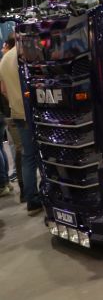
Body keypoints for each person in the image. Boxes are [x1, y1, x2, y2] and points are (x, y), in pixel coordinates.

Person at [0, 33, 41, 214]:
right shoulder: (28, 53)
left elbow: (3, 89)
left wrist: (14, 101)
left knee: (27, 156)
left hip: (17, 111)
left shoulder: (3, 60)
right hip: (34, 111)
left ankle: (31, 199)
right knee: (43, 153)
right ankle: (47, 194)